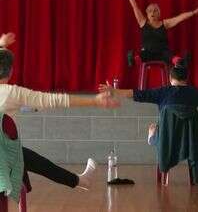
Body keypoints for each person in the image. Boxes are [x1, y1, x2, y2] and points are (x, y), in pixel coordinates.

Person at [0, 32, 119, 191]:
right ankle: (80, 181)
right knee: (25, 157)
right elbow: (56, 100)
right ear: (11, 71)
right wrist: (94, 100)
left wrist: (2, 46)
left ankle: (80, 181)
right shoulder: (12, 93)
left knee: (23, 156)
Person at [99, 58, 198, 184]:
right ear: (186, 79)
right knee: (196, 134)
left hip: (168, 139)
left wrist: (114, 91)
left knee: (157, 131)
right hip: (191, 140)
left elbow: (136, 94)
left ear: (170, 78)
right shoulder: (194, 92)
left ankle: (151, 137)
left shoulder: (162, 92)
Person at [121, 0, 198, 64]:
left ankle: (181, 61)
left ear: (159, 13)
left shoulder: (165, 23)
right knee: (142, 54)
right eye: (150, 11)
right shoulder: (142, 22)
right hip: (148, 53)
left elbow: (180, 18)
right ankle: (133, 60)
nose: (152, 13)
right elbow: (134, 6)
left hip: (163, 53)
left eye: (155, 10)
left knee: (169, 55)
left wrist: (193, 12)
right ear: (147, 14)